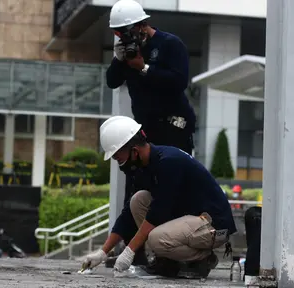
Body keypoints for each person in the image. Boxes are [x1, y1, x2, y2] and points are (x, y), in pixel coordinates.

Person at [82, 116, 237, 277]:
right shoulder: (146, 166)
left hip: (214, 224)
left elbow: (157, 213)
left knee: (156, 239)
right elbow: (128, 214)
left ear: (134, 151)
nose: (120, 164)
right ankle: (167, 261)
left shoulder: (169, 163)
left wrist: (129, 252)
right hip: (194, 219)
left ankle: (203, 259)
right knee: (138, 200)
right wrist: (102, 252)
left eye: (119, 159)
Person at [106, 0, 197, 262]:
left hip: (173, 127)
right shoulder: (126, 51)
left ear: (143, 25)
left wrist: (143, 68)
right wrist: (120, 57)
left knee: (170, 187)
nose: (125, 37)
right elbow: (112, 81)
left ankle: (171, 250)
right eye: (119, 33)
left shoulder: (170, 44)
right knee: (135, 187)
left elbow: (179, 81)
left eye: (129, 31)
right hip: (145, 131)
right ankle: (133, 251)